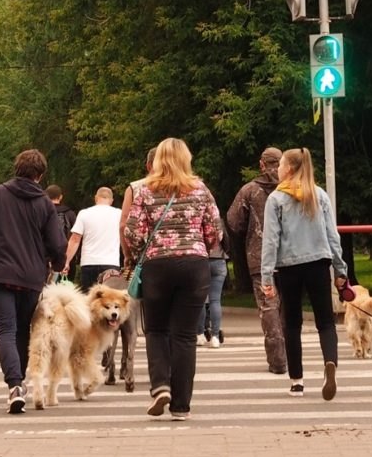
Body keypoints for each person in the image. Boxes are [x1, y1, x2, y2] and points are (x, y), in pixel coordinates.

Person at [123, 137, 222, 422]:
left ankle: (160, 387)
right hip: (194, 266)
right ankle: (181, 405)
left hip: (157, 266)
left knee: (155, 330)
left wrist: (144, 249)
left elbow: (132, 231)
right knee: (184, 335)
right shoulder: (201, 190)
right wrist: (196, 244)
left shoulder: (145, 191)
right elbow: (216, 231)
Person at [0, 149, 66, 414]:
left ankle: (15, 386)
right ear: (41, 175)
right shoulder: (45, 203)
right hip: (32, 277)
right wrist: (57, 265)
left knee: (5, 331)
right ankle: (17, 384)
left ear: (16, 168)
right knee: (22, 330)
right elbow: (57, 243)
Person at [259, 147, 349, 401]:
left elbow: (270, 241)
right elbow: (333, 236)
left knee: (292, 323)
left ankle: (297, 381)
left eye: (280, 166)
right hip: (319, 263)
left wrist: (266, 277)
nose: (277, 169)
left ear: (288, 169)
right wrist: (340, 270)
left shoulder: (276, 199)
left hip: (288, 268)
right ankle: (329, 363)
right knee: (325, 322)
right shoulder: (319, 195)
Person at [226, 146, 288, 373]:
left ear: (262, 165)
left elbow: (233, 222)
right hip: (292, 257)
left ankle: (278, 361)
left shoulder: (250, 191)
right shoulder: (294, 189)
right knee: (288, 307)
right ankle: (293, 355)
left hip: (259, 257)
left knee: (269, 307)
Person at [65, 187, 122, 291]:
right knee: (109, 302)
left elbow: (75, 239)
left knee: (88, 302)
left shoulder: (84, 213)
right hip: (111, 263)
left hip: (88, 263)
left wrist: (66, 261)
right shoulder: (119, 214)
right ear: (112, 200)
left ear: (96, 198)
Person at [197, 230, 229, 348]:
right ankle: (215, 336)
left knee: (201, 300)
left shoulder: (198, 217)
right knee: (215, 301)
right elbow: (227, 241)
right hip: (219, 260)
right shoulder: (218, 220)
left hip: (202, 260)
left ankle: (200, 335)